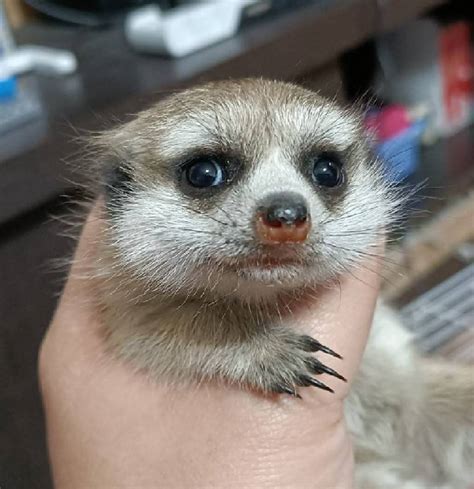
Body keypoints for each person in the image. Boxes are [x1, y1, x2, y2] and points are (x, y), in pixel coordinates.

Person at [39, 205, 381, 488]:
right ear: (124, 188)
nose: (288, 213)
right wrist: (245, 346)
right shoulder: (135, 295)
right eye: (205, 176)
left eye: (325, 173)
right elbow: (144, 331)